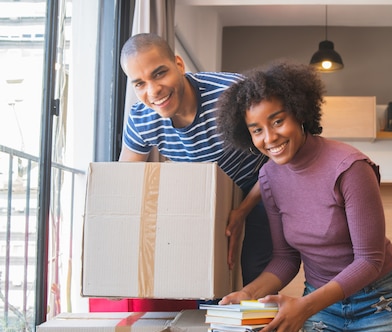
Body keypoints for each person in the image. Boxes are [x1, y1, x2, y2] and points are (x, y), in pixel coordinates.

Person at [216, 61, 392, 332]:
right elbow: (285, 259)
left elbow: (369, 261)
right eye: (256, 130)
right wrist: (247, 294)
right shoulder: (269, 178)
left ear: (299, 113)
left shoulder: (350, 167)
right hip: (322, 305)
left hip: (381, 300)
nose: (269, 138)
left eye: (277, 121)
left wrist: (303, 307)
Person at [89, 33, 272, 312]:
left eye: (159, 73)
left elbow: (279, 156)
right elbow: (125, 183)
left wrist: (243, 210)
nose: (153, 91)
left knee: (254, 272)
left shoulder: (232, 93)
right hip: (207, 195)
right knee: (206, 284)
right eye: (140, 83)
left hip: (260, 183)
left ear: (178, 64)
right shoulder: (142, 118)